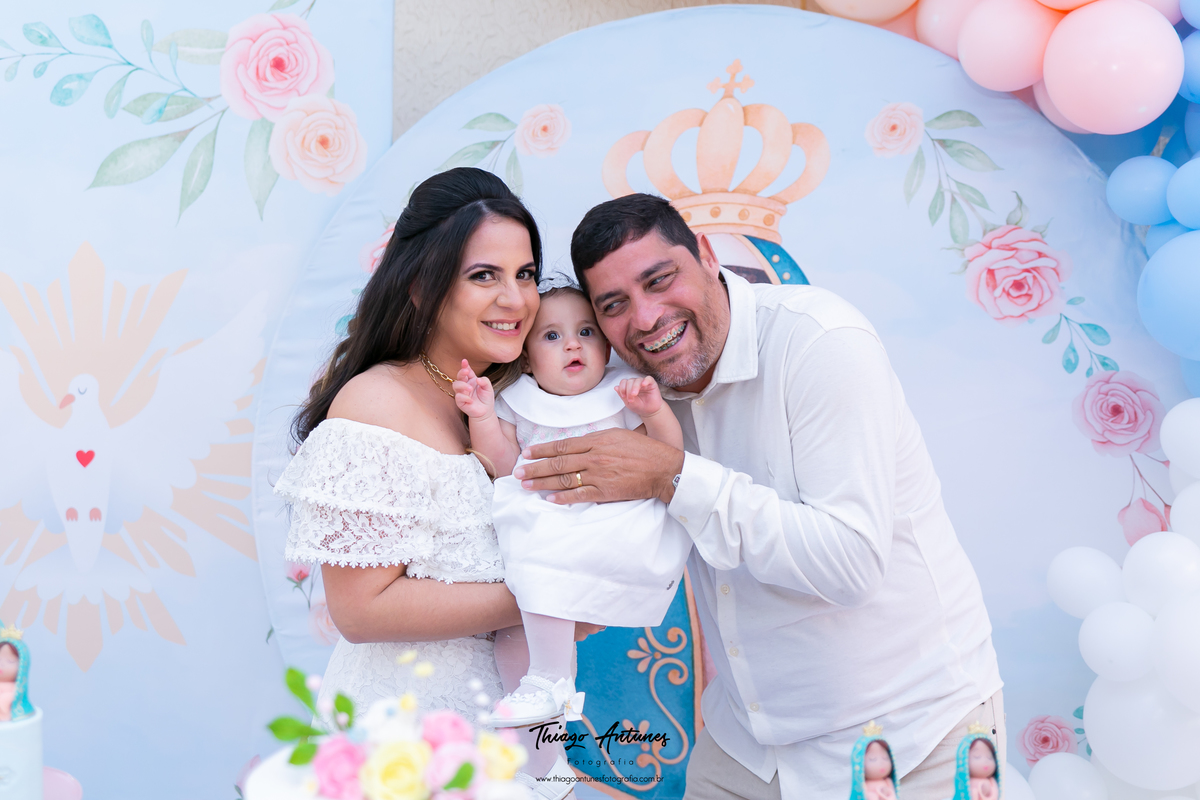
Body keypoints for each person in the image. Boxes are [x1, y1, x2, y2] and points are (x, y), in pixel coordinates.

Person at [512, 193, 1005, 800]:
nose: (644, 317)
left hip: (912, 739)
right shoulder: (629, 393)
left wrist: (671, 476)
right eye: (614, 305)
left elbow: (850, 564)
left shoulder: (821, 344)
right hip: (744, 745)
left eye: (660, 279)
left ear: (708, 256)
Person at [275, 168, 593, 799]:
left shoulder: (518, 403)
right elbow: (360, 610)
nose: (517, 300)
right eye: (485, 276)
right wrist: (552, 596)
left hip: (516, 734)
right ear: (422, 286)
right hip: (406, 743)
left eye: (525, 274)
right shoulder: (376, 402)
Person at [452, 281, 691, 727]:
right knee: (516, 632)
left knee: (541, 571)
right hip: (549, 526)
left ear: (605, 345)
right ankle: (544, 724)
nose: (571, 345)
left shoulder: (623, 395)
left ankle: (549, 679)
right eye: (552, 336)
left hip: (611, 526)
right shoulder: (519, 403)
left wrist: (655, 412)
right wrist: (482, 417)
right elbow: (506, 467)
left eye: (586, 332)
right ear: (526, 357)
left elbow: (666, 457)